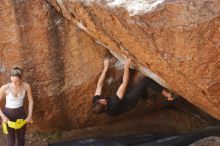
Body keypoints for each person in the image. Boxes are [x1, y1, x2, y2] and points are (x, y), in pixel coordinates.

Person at [92, 58, 178, 116]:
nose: (103, 99)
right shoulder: (113, 104)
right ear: (105, 107)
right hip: (128, 103)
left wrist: (105, 68)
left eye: (101, 99)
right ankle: (168, 95)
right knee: (145, 81)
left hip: (122, 99)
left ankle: (146, 100)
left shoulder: (96, 102)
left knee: (135, 86)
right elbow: (124, 83)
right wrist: (126, 66)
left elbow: (100, 84)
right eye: (104, 102)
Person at [0, 67, 33, 146]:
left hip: (21, 114)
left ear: (21, 78)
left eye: (16, 81)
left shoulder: (26, 86)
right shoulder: (5, 88)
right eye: (12, 81)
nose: (14, 83)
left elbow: (31, 101)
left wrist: (30, 115)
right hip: (8, 116)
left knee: (21, 140)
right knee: (11, 142)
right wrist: (3, 116)